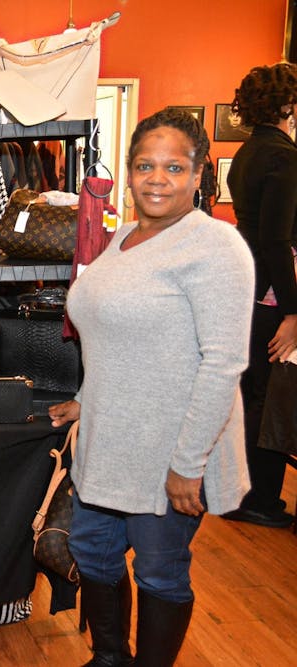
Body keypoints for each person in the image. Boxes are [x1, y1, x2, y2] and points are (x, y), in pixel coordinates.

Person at [48, 108, 254, 666]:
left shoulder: (216, 247)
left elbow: (224, 363)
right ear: (129, 171)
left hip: (170, 446)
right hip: (111, 438)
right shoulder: (121, 241)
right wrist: (83, 403)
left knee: (160, 569)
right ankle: (110, 656)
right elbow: (110, 339)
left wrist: (189, 464)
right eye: (145, 165)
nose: (157, 178)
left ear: (197, 175)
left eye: (174, 167)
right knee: (93, 552)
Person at [222, 62, 297, 528]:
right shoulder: (285, 156)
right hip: (270, 290)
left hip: (247, 282)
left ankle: (242, 492)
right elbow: (275, 239)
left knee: (252, 393)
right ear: (288, 104)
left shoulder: (250, 151)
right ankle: (256, 499)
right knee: (267, 398)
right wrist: (293, 311)